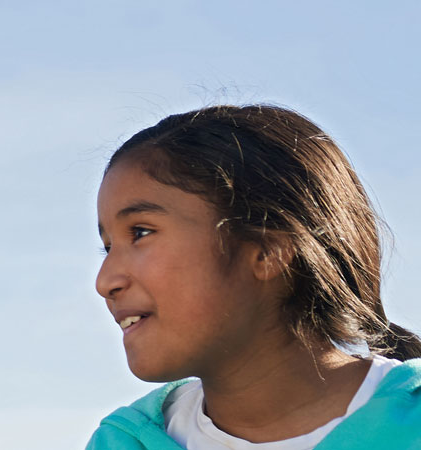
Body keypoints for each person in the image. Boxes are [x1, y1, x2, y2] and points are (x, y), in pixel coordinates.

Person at [88, 105, 421, 448]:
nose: (105, 282)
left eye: (140, 232)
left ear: (267, 250)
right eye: (108, 247)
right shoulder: (121, 441)